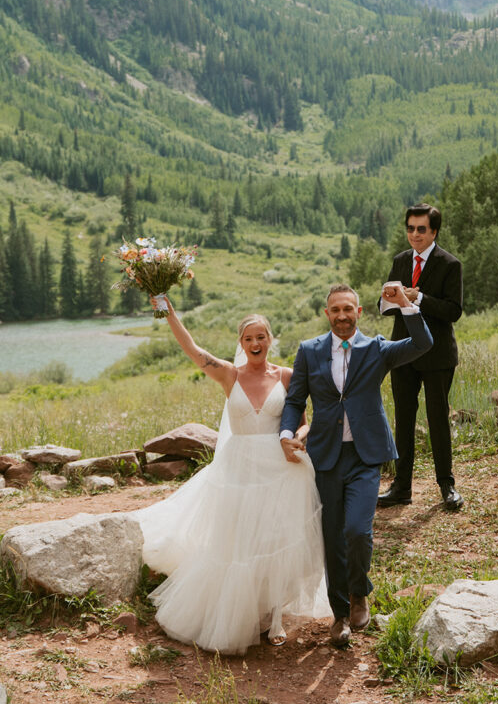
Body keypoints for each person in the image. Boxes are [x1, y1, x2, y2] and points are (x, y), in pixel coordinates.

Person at [133, 297, 328, 654]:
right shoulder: (229, 375)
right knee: (239, 541)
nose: (255, 344)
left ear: (270, 339)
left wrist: (299, 439)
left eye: (261, 337)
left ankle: (276, 616)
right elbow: (193, 351)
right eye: (249, 338)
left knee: (275, 540)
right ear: (241, 344)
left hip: (281, 469)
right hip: (238, 469)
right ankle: (244, 612)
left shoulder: (287, 376)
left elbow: (304, 422)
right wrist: (169, 312)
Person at [279, 282, 432, 647]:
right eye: (336, 310)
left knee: (357, 531)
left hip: (365, 455)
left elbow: (423, 344)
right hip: (326, 457)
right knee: (332, 537)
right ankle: (341, 615)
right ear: (327, 313)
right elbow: (295, 398)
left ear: (358, 312)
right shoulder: (309, 351)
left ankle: (360, 590)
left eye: (349, 309)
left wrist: (406, 304)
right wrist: (286, 430)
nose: (343, 316)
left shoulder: (376, 349)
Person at [377, 204, 464, 512]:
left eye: (421, 229)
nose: (415, 234)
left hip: (438, 355)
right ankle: (401, 487)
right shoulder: (400, 261)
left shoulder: (449, 264)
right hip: (402, 352)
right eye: (410, 228)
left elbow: (454, 310)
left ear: (434, 231)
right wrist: (388, 300)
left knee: (438, 418)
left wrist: (421, 299)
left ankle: (447, 485)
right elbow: (384, 305)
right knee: (403, 419)